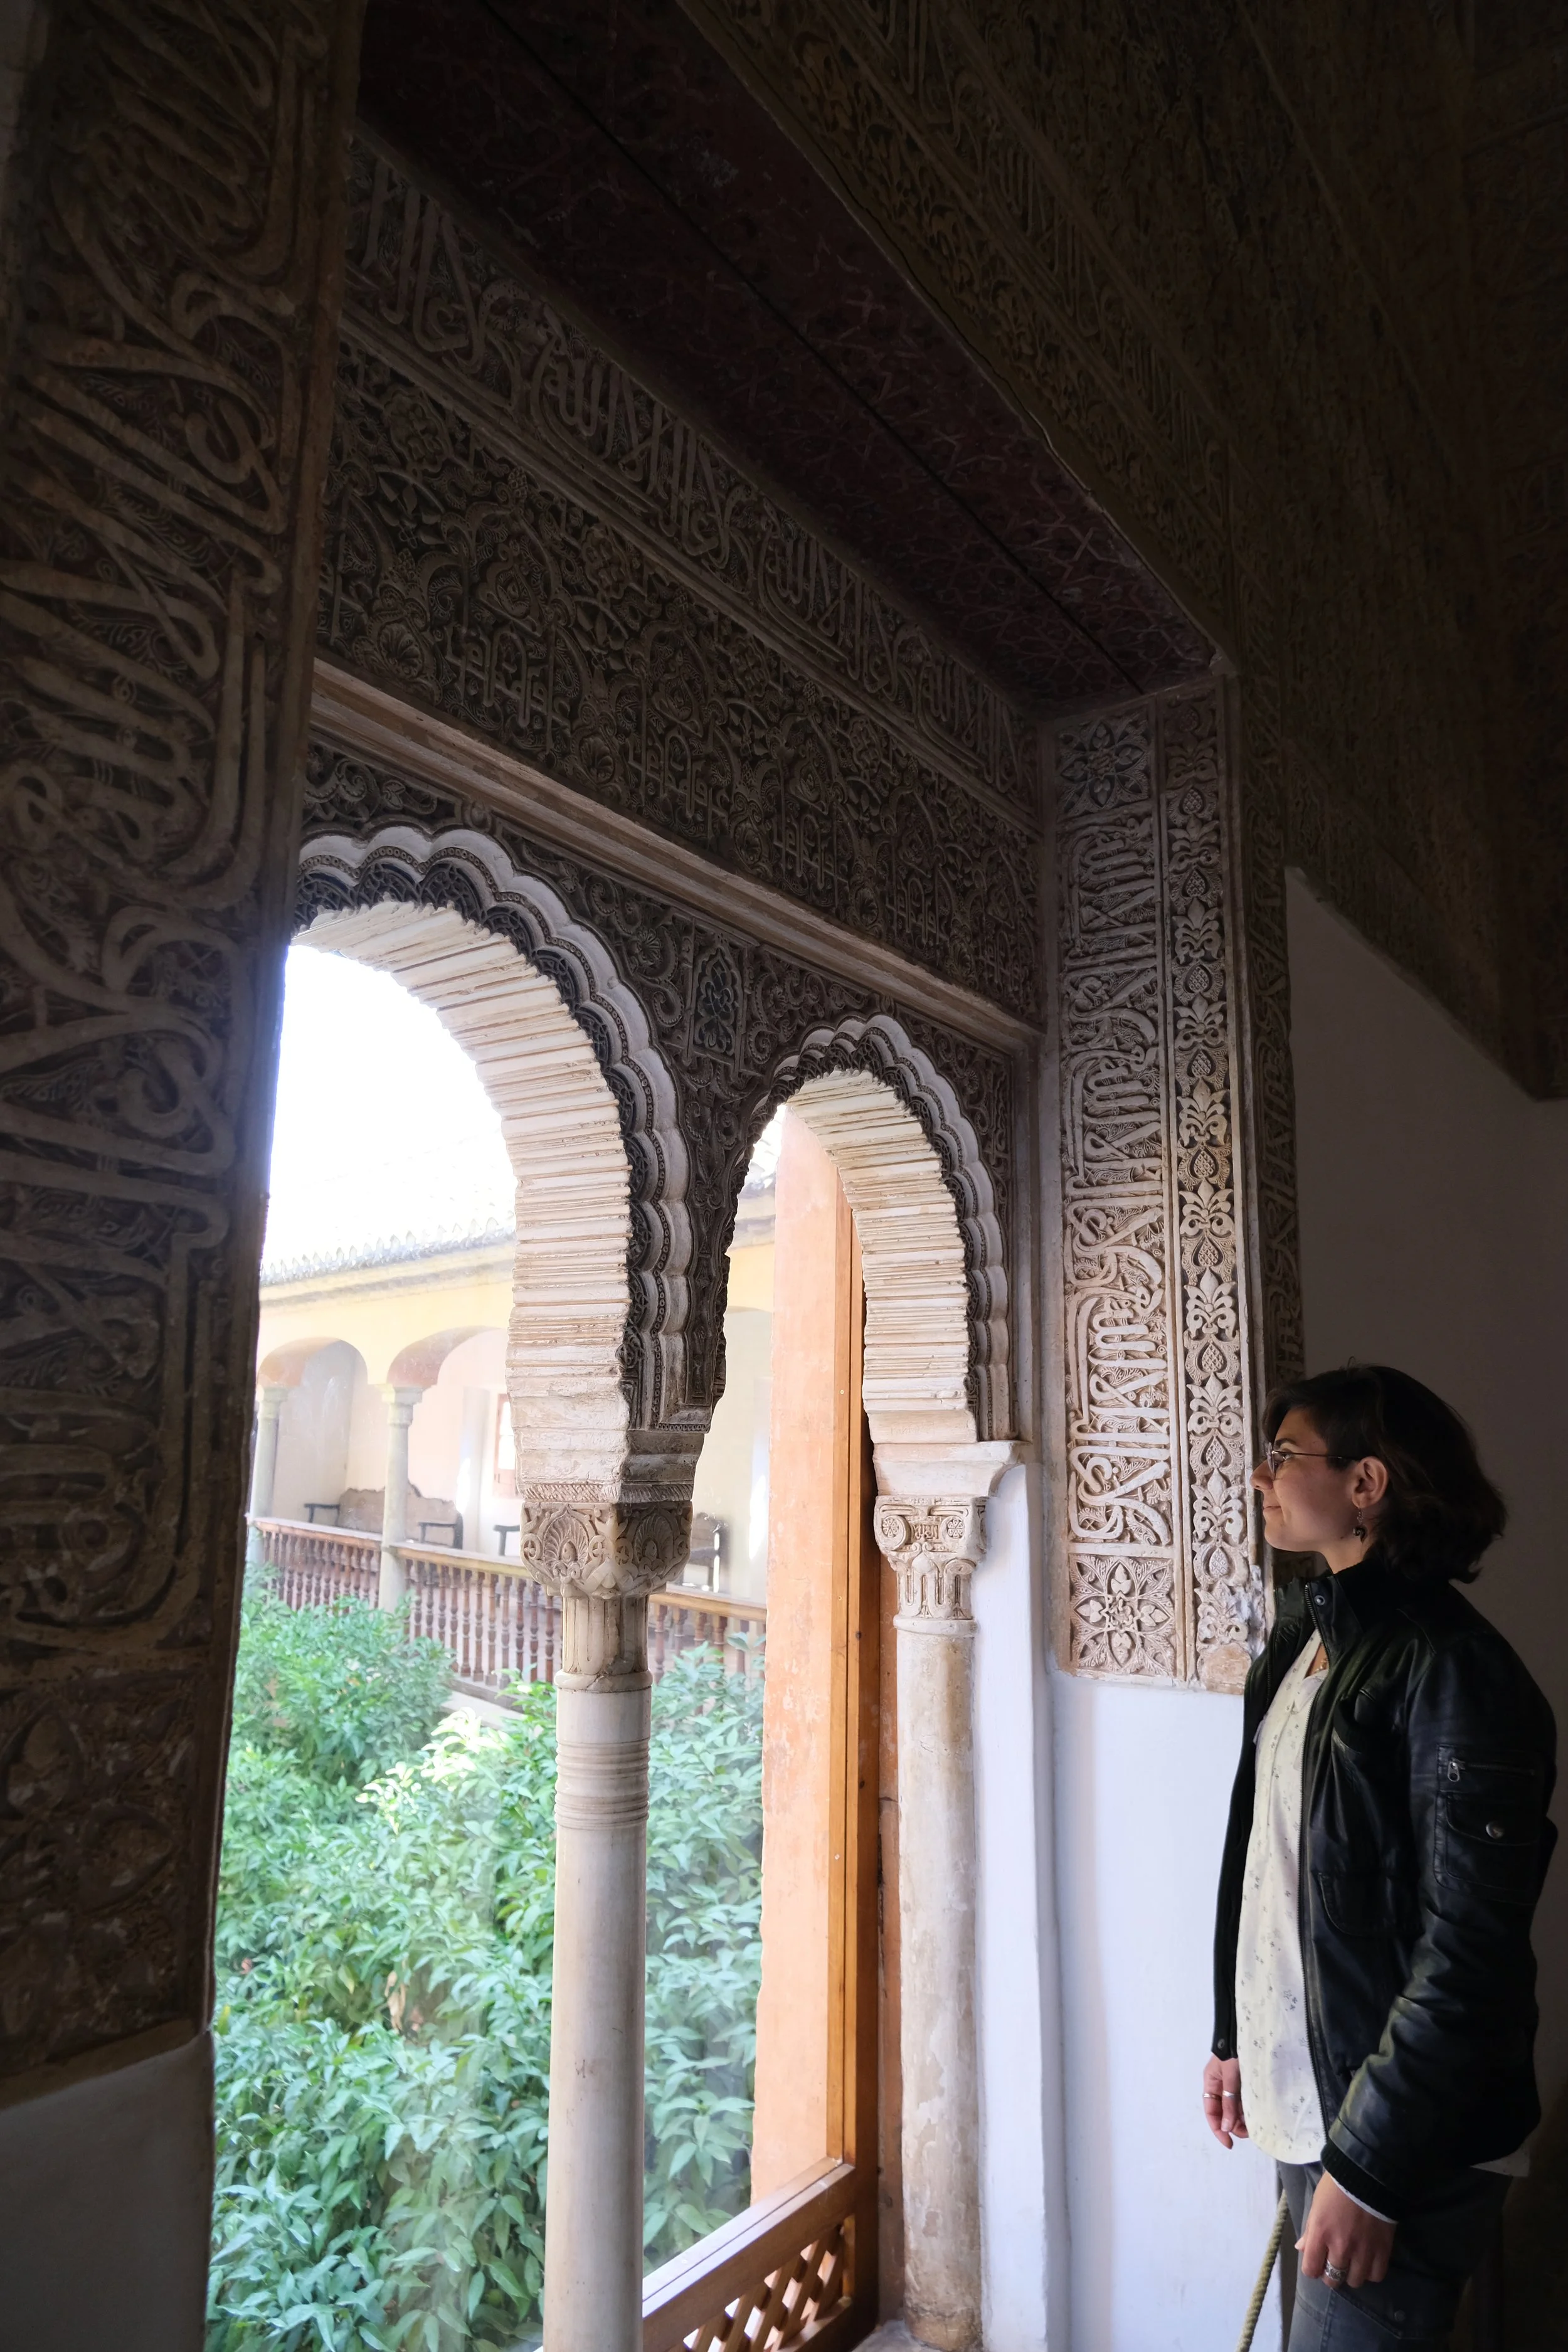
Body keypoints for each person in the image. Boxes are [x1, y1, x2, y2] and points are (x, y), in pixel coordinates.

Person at [1205, 1364, 1557, 2349]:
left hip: (1399, 2136)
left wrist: (1370, 2167)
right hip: (1311, 2100)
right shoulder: (1303, 1642)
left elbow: (1471, 1949)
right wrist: (1236, 2031)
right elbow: (1266, 1857)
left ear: (1367, 1483)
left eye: (1284, 1455)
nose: (1260, 1476)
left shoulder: (1458, 1671)